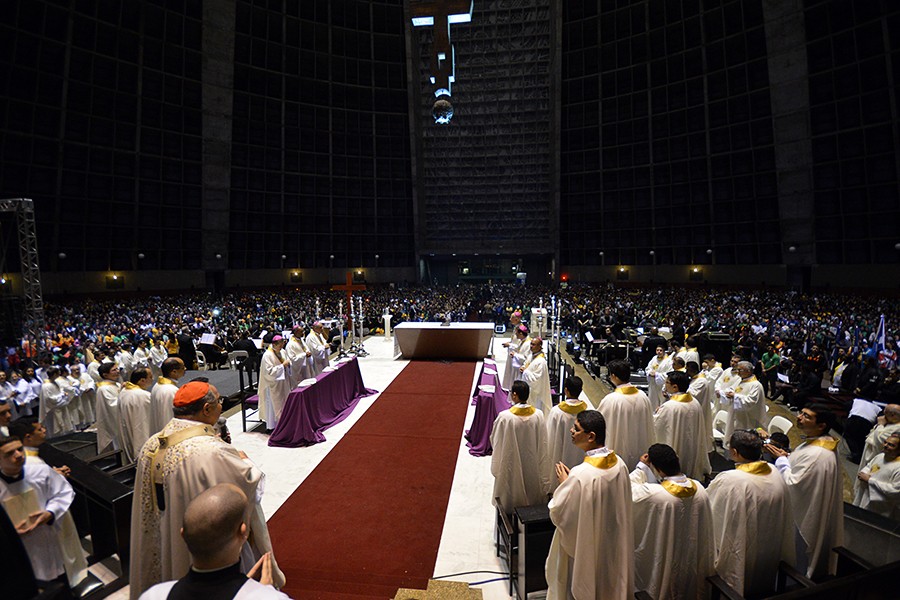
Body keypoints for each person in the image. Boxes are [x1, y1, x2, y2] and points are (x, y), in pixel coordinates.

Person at [129, 381, 284, 599]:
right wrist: (245, 461)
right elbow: (247, 484)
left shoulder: (151, 444)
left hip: (165, 538)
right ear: (206, 409)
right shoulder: (211, 450)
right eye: (219, 401)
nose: (221, 405)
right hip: (205, 557)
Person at [138, 484, 289, 600]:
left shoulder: (154, 595)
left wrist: (247, 588)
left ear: (182, 535)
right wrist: (263, 592)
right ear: (243, 533)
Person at [545, 410, 633, 600]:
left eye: (576, 429)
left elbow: (559, 512)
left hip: (587, 543)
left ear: (591, 436)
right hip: (612, 541)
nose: (571, 431)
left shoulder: (581, 474)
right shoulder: (620, 464)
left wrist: (564, 484)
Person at [707, 430, 794, 597]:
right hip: (768, 548)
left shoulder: (731, 479)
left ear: (734, 452)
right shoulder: (773, 470)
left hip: (741, 545)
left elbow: (711, 509)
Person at [765, 404, 843, 579]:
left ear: (821, 425)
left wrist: (781, 461)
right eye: (801, 413)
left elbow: (794, 483)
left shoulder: (817, 454)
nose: (799, 417)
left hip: (802, 515)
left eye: (807, 416)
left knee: (797, 554)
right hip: (805, 503)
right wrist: (786, 457)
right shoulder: (817, 442)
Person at [0, 435, 88, 588]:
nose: (19, 455)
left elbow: (63, 491)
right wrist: (8, 534)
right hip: (16, 550)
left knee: (59, 585)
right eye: (9, 453)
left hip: (48, 540)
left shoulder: (39, 471)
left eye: (20, 449)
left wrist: (50, 513)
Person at [629, 443, 714, 600]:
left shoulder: (654, 494)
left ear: (658, 470)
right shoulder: (700, 489)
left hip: (664, 558)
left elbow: (628, 489)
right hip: (690, 564)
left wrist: (641, 467)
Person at [490, 380, 551, 512]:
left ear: (515, 395)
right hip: (532, 462)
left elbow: (495, 440)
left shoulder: (505, 417)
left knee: (511, 493)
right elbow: (543, 441)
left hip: (511, 464)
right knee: (531, 489)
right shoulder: (538, 415)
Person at [597, 359, 654, 471]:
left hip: (620, 448)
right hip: (639, 446)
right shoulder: (643, 396)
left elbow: (598, 421)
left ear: (613, 376)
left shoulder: (612, 399)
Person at [654, 371, 711, 480]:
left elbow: (656, 426)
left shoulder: (669, 406)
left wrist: (656, 414)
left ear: (675, 387)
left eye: (667, 383)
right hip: (691, 446)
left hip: (676, 444)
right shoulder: (694, 402)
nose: (665, 385)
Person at [545, 376, 591, 491]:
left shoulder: (556, 412)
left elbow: (549, 437)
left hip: (559, 456)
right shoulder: (587, 412)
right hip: (580, 459)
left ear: (566, 390)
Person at [719, 361, 766, 449]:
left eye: (740, 370)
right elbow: (731, 389)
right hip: (736, 414)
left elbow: (751, 401)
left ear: (748, 371)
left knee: (744, 442)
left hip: (748, 418)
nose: (738, 372)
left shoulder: (756, 385)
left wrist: (735, 396)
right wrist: (724, 393)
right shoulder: (741, 381)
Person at [853, 432, 900, 520]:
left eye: (891, 445)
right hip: (865, 495)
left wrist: (870, 481)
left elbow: (895, 490)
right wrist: (863, 473)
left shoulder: (898, 467)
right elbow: (869, 466)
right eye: (885, 442)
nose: (885, 445)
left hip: (881, 506)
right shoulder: (880, 456)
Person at [118, 367, 155, 462]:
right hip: (142, 428)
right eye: (150, 377)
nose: (153, 379)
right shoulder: (143, 395)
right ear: (142, 380)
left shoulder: (124, 391)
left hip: (129, 427)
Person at [257, 335, 291, 431]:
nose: (282, 347)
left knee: (284, 402)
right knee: (274, 406)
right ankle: (273, 426)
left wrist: (288, 365)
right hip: (272, 385)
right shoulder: (267, 355)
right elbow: (269, 372)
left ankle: (284, 422)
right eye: (280, 345)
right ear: (274, 344)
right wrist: (282, 366)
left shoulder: (282, 351)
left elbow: (287, 361)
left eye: (282, 344)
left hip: (282, 383)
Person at [857, 404, 900, 470]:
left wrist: (880, 425)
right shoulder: (889, 422)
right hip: (870, 451)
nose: (883, 415)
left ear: (892, 415)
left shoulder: (897, 428)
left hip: (878, 456)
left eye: (885, 413)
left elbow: (881, 440)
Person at [150, 358, 185, 434]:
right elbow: (170, 416)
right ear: (174, 372)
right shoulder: (171, 391)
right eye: (182, 367)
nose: (185, 369)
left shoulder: (157, 385)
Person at [94, 362, 122, 453]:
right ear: (105, 374)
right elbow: (112, 405)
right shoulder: (103, 389)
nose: (117, 371)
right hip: (112, 420)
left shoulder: (116, 384)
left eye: (117, 369)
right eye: (114, 370)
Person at [519, 337, 552, 415]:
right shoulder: (532, 355)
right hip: (528, 388)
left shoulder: (541, 361)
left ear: (540, 346)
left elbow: (537, 379)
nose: (531, 346)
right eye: (531, 344)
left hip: (536, 392)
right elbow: (527, 363)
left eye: (533, 345)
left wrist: (525, 372)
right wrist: (523, 367)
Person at [502, 324, 531, 390]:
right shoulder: (523, 341)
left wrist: (515, 355)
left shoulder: (528, 343)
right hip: (517, 367)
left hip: (521, 369)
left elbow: (526, 359)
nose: (516, 335)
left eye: (516, 333)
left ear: (521, 333)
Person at [645, 345, 671, 410]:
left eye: (660, 350)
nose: (659, 352)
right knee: (652, 400)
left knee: (662, 400)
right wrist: (649, 372)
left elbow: (669, 373)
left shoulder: (668, 361)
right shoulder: (654, 358)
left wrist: (657, 375)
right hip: (653, 383)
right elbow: (648, 368)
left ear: (664, 351)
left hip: (662, 384)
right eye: (657, 350)